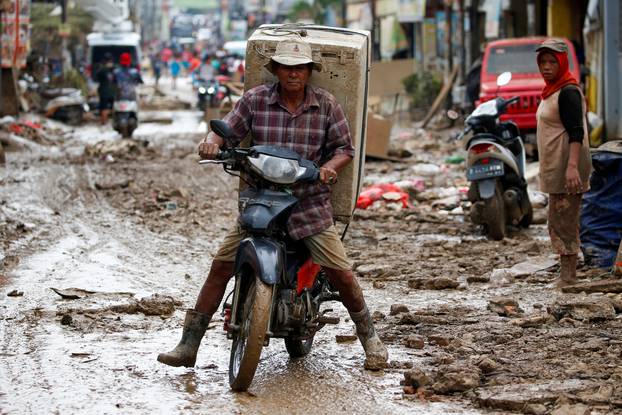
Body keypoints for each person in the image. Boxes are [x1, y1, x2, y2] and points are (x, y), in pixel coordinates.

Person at [157, 38, 389, 370]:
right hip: (261, 201)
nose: (293, 74)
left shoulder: (326, 104)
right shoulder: (255, 100)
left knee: (342, 273)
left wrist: (328, 169)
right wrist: (210, 143)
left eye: (299, 68)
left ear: (309, 71)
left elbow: (344, 149)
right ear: (276, 70)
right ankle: (188, 344)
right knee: (221, 265)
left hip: (308, 204)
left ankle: (370, 339)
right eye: (286, 67)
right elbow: (225, 131)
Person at [535, 38, 592, 288]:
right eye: (543, 62)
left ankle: (569, 278)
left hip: (567, 165)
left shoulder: (568, 91)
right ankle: (565, 274)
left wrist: (571, 168)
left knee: (565, 220)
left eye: (552, 62)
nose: (546, 67)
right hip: (556, 165)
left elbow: (576, 132)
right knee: (557, 219)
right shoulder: (552, 90)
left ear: (563, 63)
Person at [95, 53, 116, 125]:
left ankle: (104, 122)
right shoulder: (115, 69)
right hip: (113, 91)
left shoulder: (101, 70)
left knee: (104, 107)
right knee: (113, 106)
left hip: (103, 91)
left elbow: (96, 78)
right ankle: (115, 120)